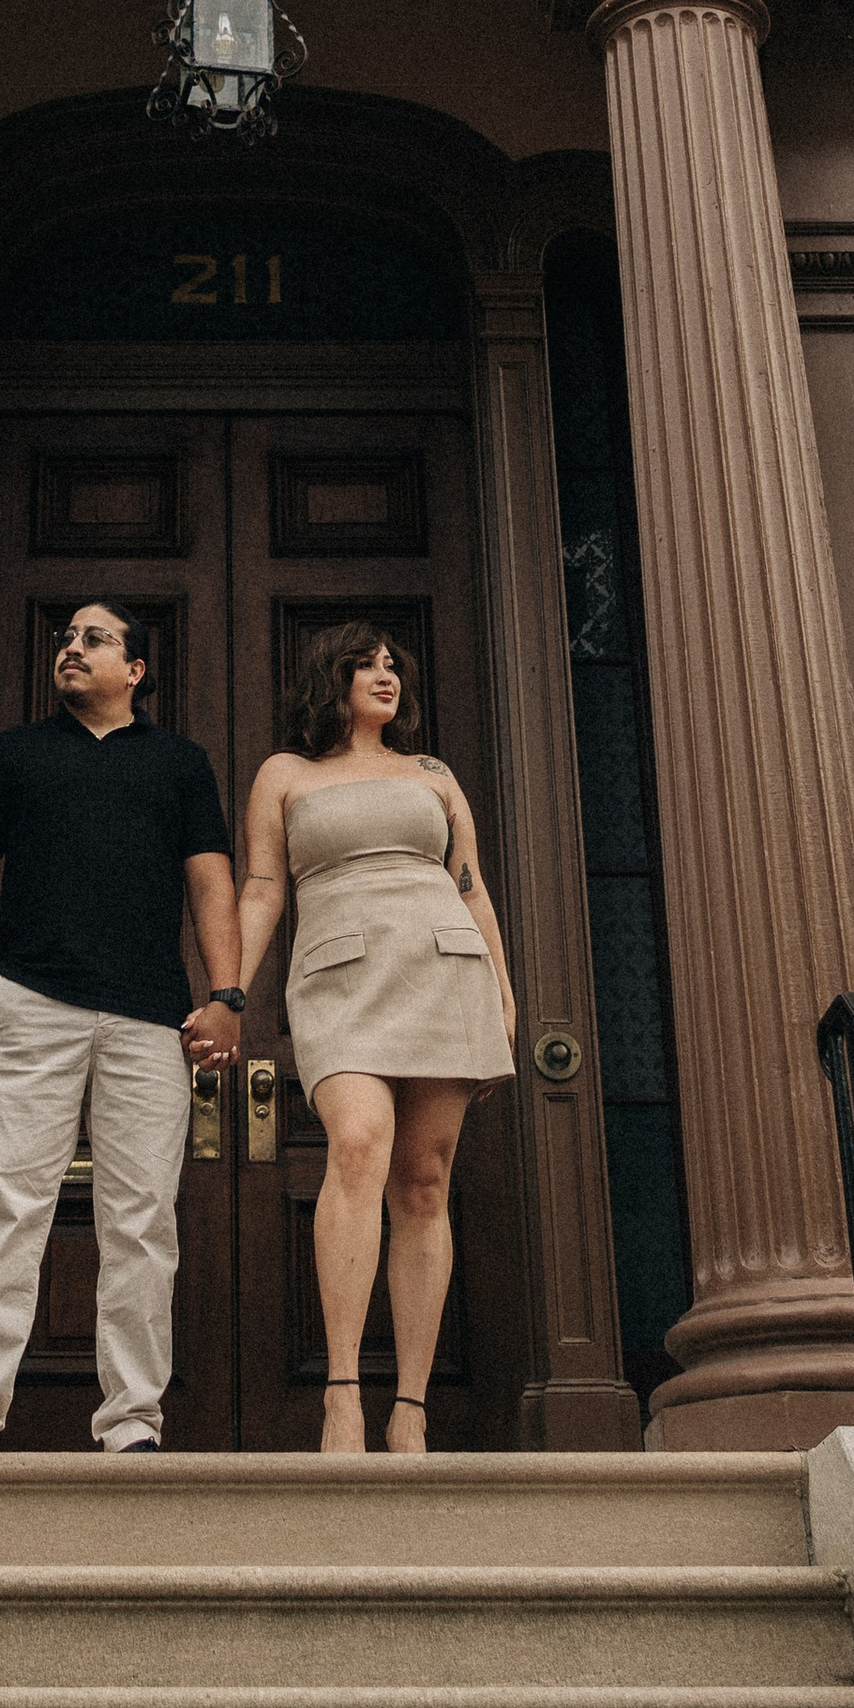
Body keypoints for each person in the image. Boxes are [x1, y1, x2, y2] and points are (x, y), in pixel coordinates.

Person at [0, 598, 243, 1451]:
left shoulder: (180, 764)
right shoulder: (15, 755)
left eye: (94, 639)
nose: (72, 649)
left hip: (151, 1019)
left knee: (142, 1221)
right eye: (67, 638)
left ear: (135, 671)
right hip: (34, 1004)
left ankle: (132, 1423)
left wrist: (227, 993)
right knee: (7, 1205)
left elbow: (211, 882)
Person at [229, 622, 515, 1455]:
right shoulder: (285, 775)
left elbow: (473, 890)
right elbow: (260, 889)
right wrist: (229, 992)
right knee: (357, 1145)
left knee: (424, 1181)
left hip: (444, 969)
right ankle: (344, 1393)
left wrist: (502, 994)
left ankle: (413, 1408)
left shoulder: (432, 774)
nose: (387, 675)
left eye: (395, 664)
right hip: (338, 977)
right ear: (332, 676)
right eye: (368, 663)